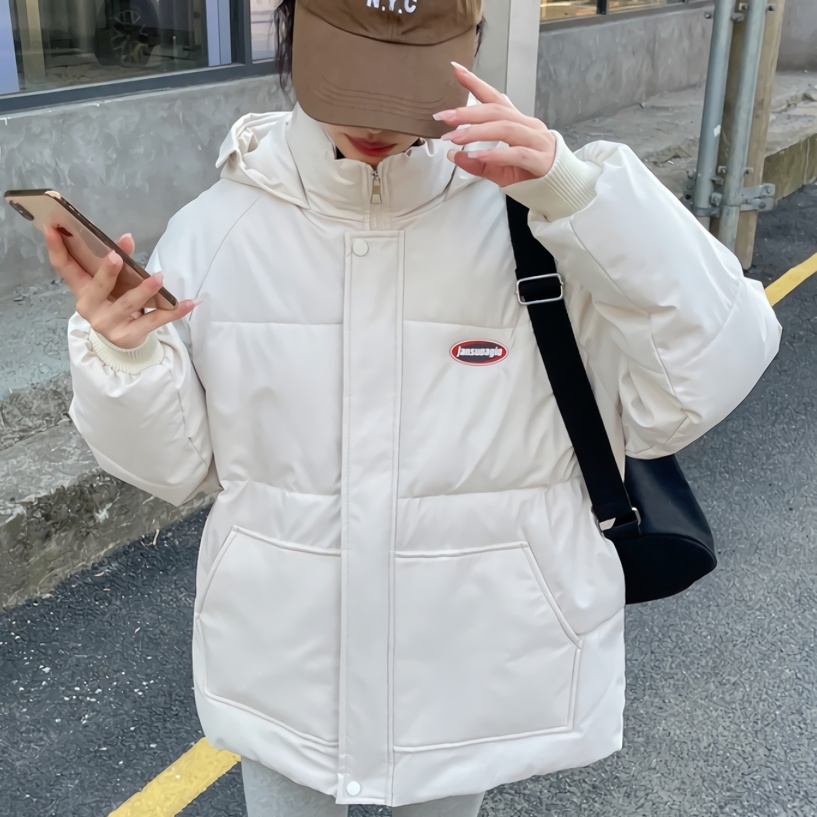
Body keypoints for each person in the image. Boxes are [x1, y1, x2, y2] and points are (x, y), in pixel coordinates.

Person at [46, 0, 781, 814]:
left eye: (401, 88)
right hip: (284, 661)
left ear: (468, 50)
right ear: (292, 39)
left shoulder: (537, 214)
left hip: (463, 661)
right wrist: (124, 356)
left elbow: (706, 373)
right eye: (349, 80)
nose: (374, 123)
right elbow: (171, 465)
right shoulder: (218, 230)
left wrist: (581, 197)